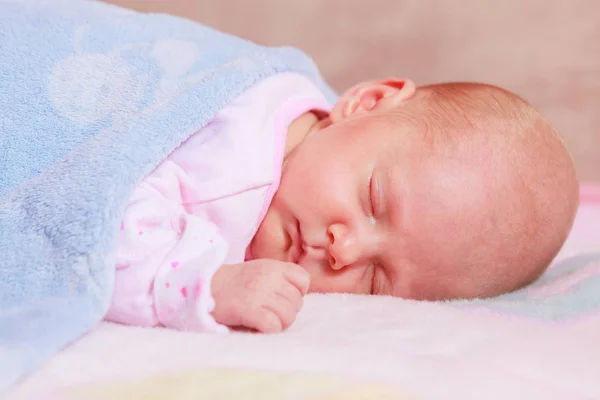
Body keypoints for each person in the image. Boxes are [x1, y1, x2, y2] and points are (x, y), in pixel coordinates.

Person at [105, 73, 579, 334]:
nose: (343, 251)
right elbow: (102, 227)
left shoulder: (319, 132)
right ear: (365, 102)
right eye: (373, 200)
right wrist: (207, 284)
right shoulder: (234, 171)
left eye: (375, 281)